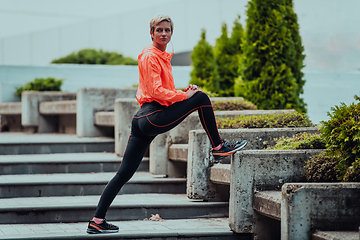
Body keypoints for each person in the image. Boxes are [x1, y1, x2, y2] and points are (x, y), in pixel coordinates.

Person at [86, 14, 247, 234]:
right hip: (150, 116)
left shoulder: (162, 56)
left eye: (167, 30)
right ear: (151, 32)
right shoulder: (150, 56)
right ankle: (218, 147)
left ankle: (97, 220)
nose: (163, 33)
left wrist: (182, 93)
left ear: (171, 33)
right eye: (159, 30)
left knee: (124, 173)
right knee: (201, 98)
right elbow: (155, 92)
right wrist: (186, 95)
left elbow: (163, 94)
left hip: (143, 119)